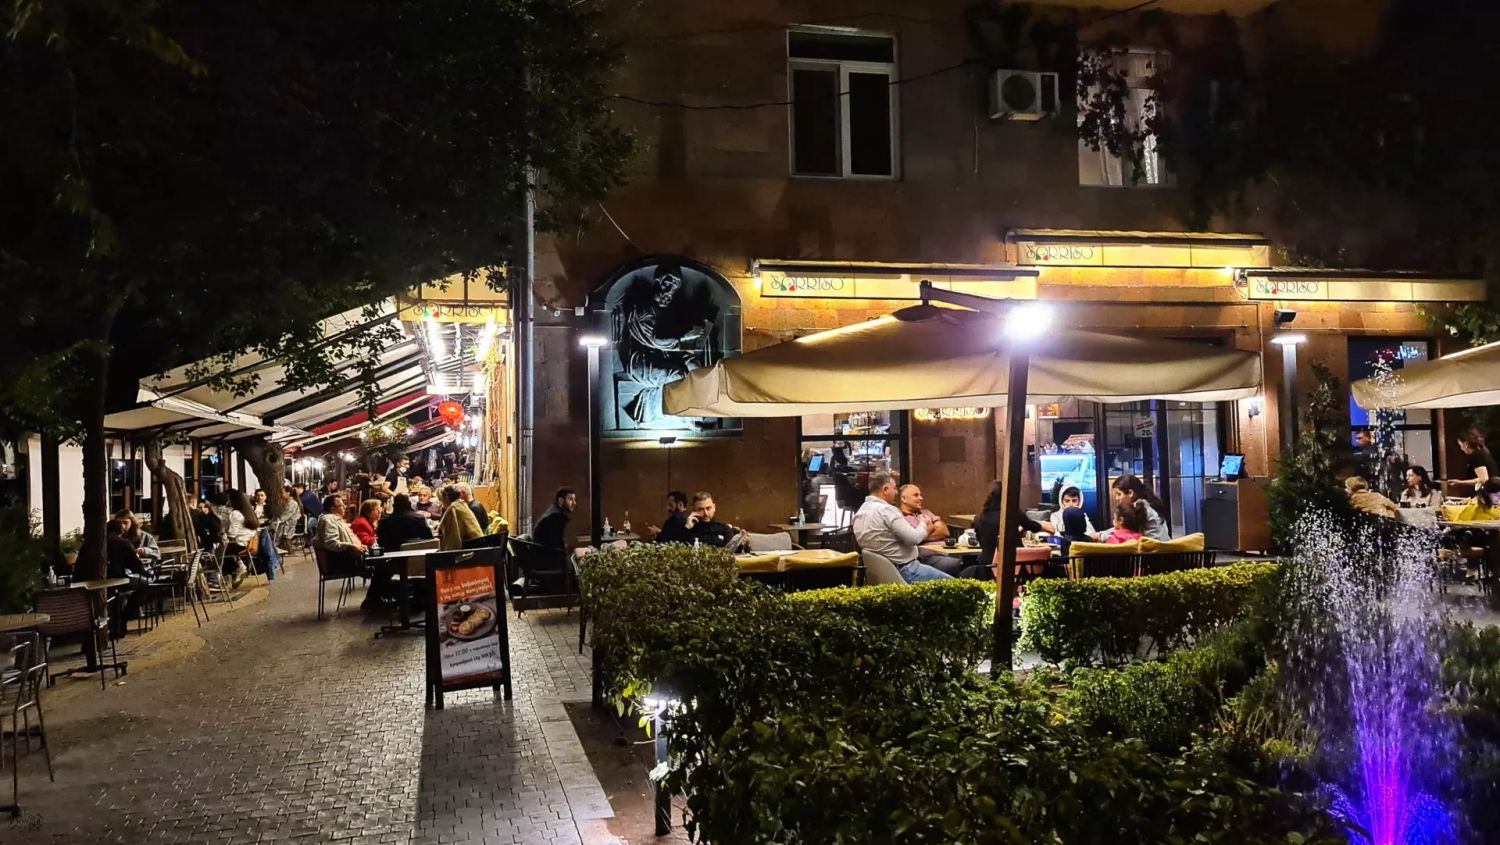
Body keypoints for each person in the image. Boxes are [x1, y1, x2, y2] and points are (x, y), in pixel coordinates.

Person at [852, 472, 952, 583]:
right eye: (894, 488)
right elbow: (913, 538)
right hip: (906, 570)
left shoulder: (860, 513)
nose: (896, 492)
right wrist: (923, 523)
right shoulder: (887, 511)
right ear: (885, 489)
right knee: (956, 585)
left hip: (883, 574)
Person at [971, 480, 1051, 581]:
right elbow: (1031, 526)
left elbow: (981, 542)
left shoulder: (979, 517)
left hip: (987, 566)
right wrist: (1045, 526)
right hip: (1013, 565)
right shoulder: (1012, 512)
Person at [897, 484, 964, 576]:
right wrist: (931, 527)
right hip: (928, 558)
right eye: (916, 495)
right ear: (904, 499)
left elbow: (944, 531)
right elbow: (912, 539)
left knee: (976, 560)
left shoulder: (926, 512)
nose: (921, 498)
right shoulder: (899, 518)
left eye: (920, 495)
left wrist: (920, 535)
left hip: (951, 552)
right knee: (962, 565)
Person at [105, 518, 152, 637]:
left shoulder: (97, 543)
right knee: (144, 584)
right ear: (121, 531)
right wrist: (148, 574)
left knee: (114, 597)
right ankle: (126, 616)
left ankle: (118, 624)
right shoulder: (123, 543)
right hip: (118, 579)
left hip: (98, 582)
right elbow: (136, 565)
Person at [211, 490, 258, 585]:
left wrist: (223, 532)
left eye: (228, 499)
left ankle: (235, 570)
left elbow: (232, 534)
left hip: (239, 543)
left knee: (219, 552)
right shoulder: (248, 512)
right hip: (249, 542)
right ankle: (236, 571)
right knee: (223, 550)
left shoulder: (235, 513)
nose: (226, 502)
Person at [1110, 475, 1169, 540]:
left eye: (1119, 494)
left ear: (1130, 493)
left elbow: (1124, 532)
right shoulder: (1149, 503)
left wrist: (1102, 535)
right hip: (1165, 544)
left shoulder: (1138, 507)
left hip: (1152, 545)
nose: (1117, 498)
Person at [1450, 428, 1498, 494]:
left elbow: (1483, 479)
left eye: (1460, 445)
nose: (1461, 448)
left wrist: (1460, 482)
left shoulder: (1476, 456)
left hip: (1490, 494)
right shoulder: (1482, 452)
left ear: (1466, 444)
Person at [437, 485, 483, 550]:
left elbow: (453, 539)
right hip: (479, 544)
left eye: (441, 499)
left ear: (446, 497)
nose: (441, 503)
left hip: (471, 548)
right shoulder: (461, 504)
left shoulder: (453, 508)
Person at [533, 486, 577, 551]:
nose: (574, 503)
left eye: (574, 499)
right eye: (570, 499)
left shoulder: (554, 512)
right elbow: (557, 547)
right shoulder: (555, 517)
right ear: (561, 501)